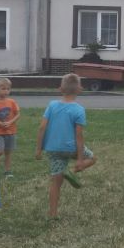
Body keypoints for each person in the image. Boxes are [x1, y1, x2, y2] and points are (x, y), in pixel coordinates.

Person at [35, 73, 97, 220]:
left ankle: (53, 214)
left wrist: (38, 149)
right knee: (93, 158)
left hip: (52, 149)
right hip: (71, 149)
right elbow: (79, 136)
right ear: (80, 89)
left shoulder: (52, 105)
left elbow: (42, 127)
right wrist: (80, 159)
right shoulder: (79, 110)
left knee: (56, 182)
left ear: (60, 89)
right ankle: (71, 171)